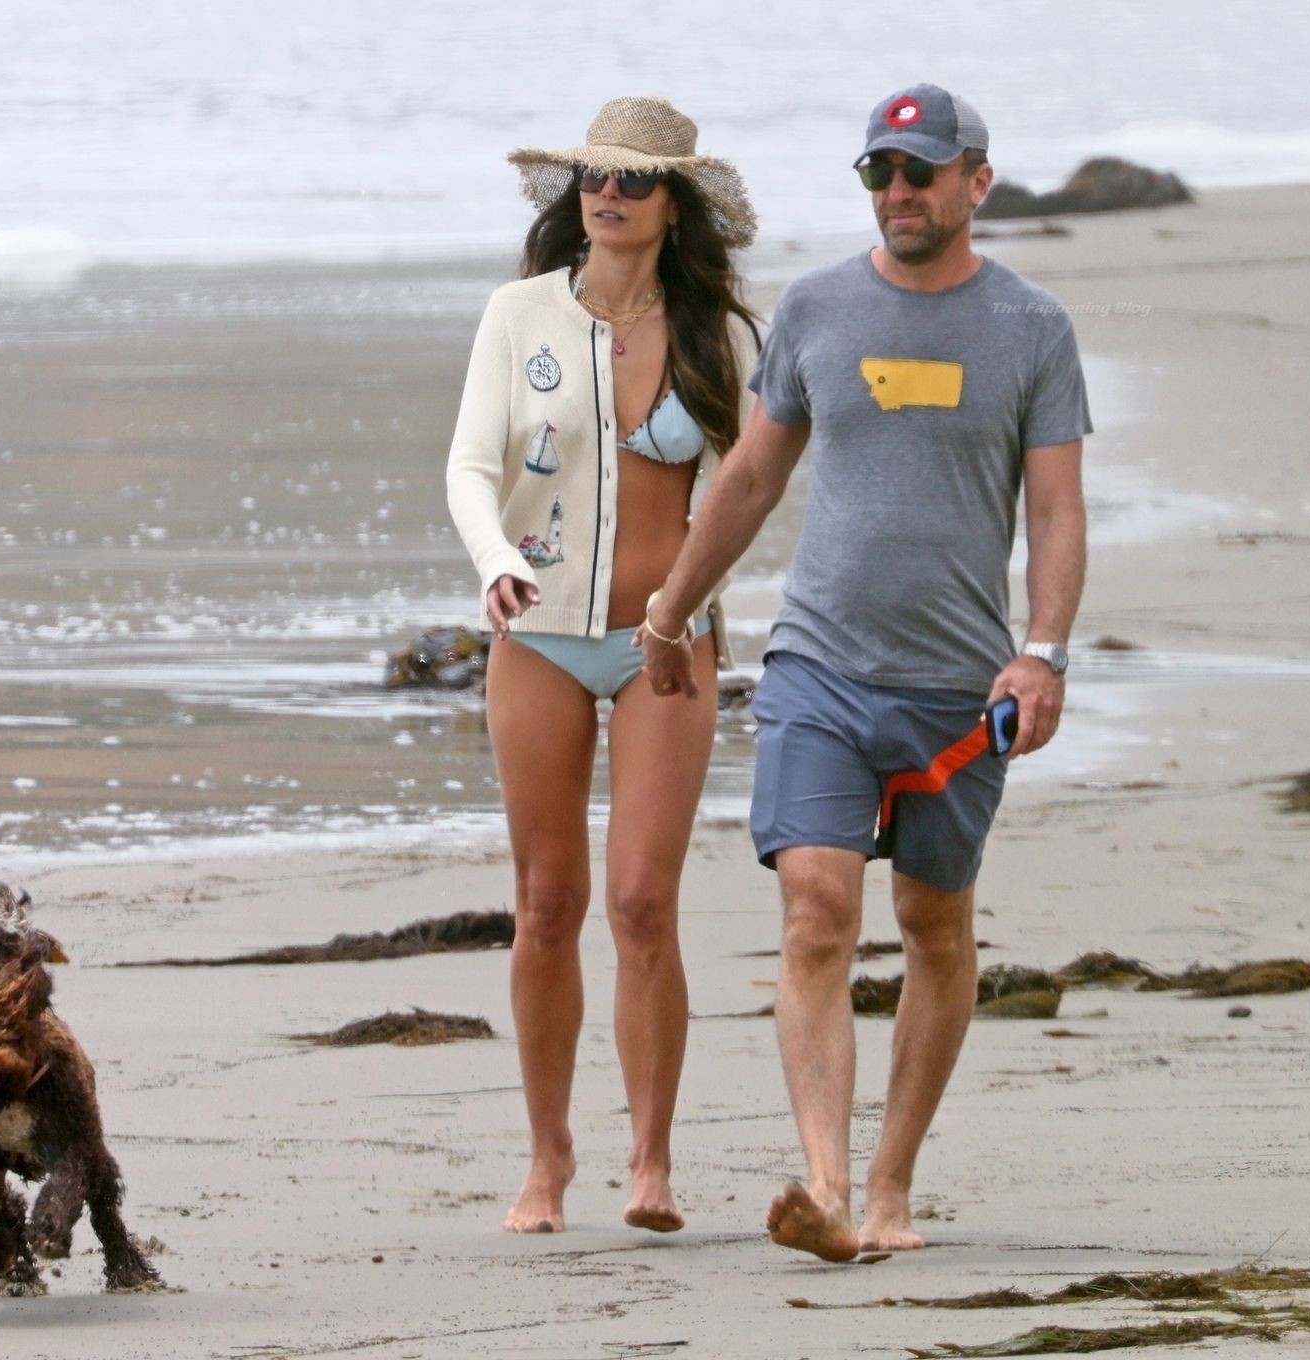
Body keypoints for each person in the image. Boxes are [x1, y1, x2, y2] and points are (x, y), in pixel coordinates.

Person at [636, 83, 1091, 1260]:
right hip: (820, 668)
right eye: (879, 173)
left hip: (959, 689)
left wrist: (1042, 652)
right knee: (816, 911)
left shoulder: (1032, 327)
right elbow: (750, 477)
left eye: (920, 172)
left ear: (975, 182)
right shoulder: (818, 307)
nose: (898, 192)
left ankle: (892, 1187)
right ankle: (828, 1189)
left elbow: (1056, 509)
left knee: (934, 923)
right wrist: (672, 610)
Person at [445, 95, 762, 1234]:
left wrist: (683, 609)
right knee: (546, 902)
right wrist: (494, 561)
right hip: (536, 636)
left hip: (664, 644)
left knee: (639, 902)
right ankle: (548, 1159)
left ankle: (651, 1162)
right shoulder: (518, 312)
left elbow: (743, 489)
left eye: (633, 179)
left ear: (675, 204)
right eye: (593, 176)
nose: (608, 194)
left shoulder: (720, 331)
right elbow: (469, 466)